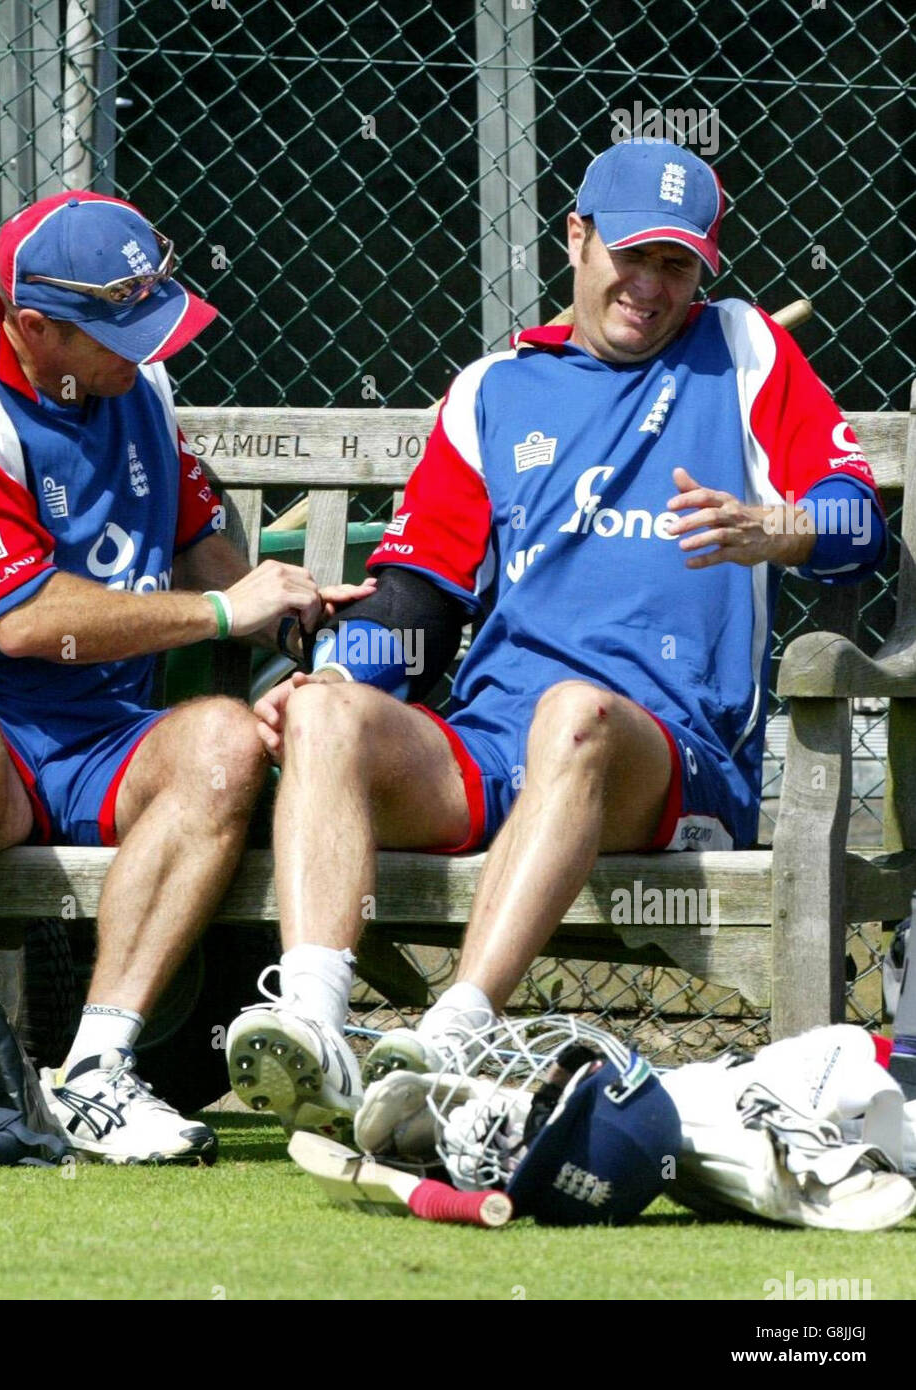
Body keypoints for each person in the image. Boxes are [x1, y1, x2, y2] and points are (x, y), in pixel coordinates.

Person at [226, 139, 887, 1139]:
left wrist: (778, 526)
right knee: (325, 711)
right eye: (631, 254)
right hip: (497, 745)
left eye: (676, 265)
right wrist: (328, 675)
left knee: (573, 714)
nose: (650, 286)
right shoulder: (493, 388)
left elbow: (857, 525)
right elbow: (416, 601)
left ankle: (453, 1037)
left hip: (666, 756)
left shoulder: (744, 350)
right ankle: (315, 1029)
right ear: (575, 237)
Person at [0, 190, 371, 1164]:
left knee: (222, 740)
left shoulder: (135, 386)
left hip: (107, 731)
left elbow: (200, 540)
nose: (147, 352)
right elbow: (24, 621)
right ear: (32, 325)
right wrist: (222, 613)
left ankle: (98, 1072)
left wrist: (288, 618)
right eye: (121, 332)